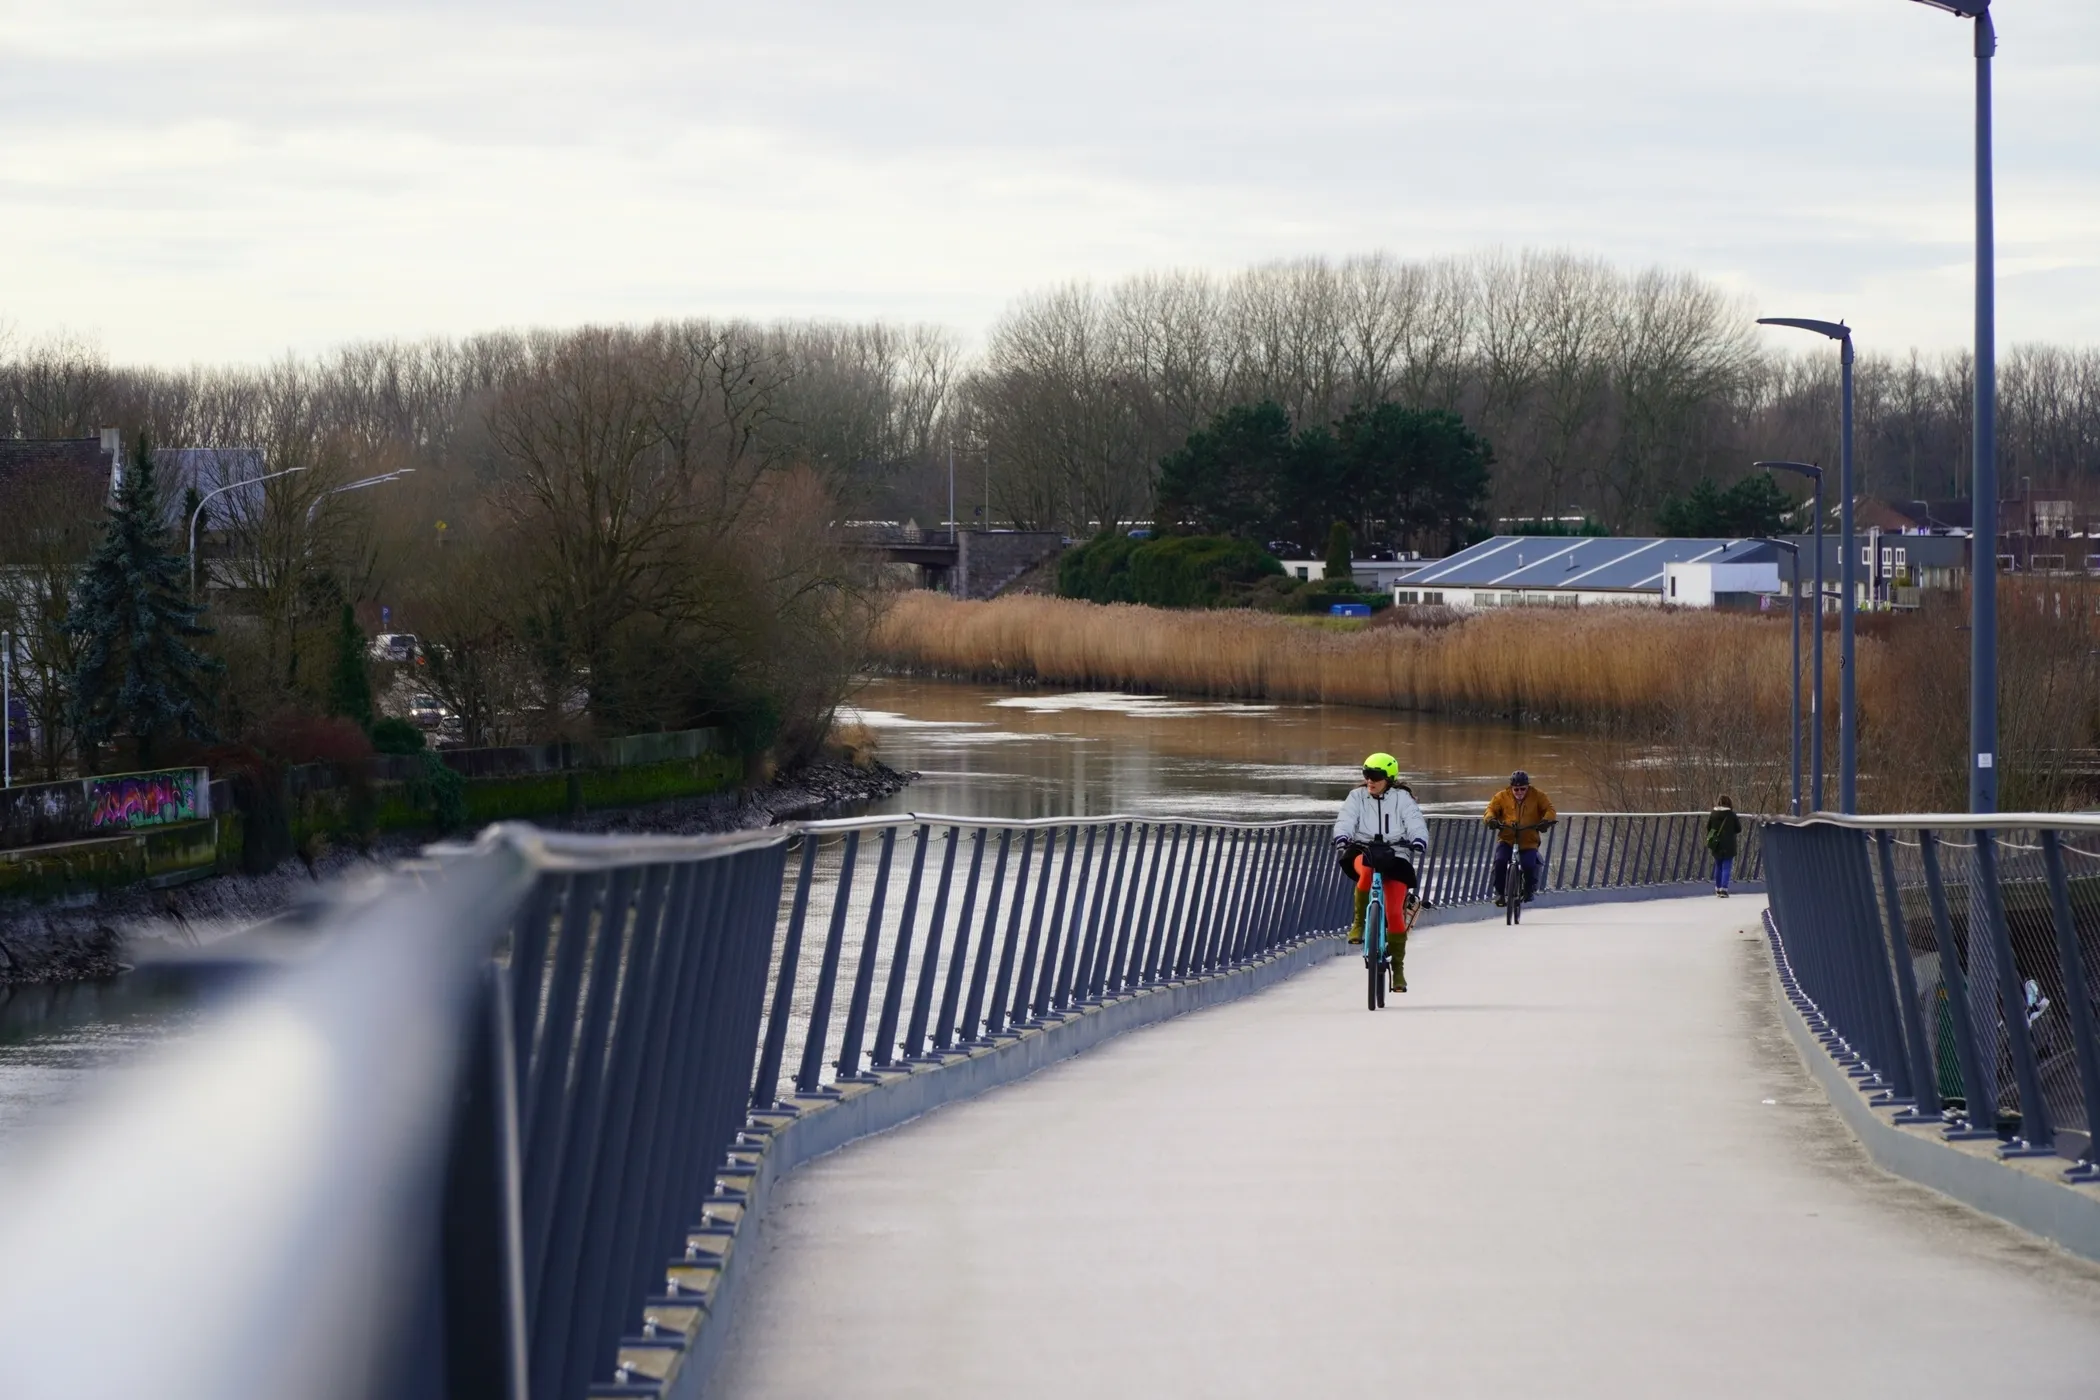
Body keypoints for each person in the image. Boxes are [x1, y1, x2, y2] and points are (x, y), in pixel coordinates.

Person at [1332, 752, 1428, 992]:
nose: (1369, 781)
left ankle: (1398, 970)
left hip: (1396, 852)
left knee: (1395, 912)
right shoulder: (1356, 797)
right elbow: (1346, 818)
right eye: (1366, 775)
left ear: (1389, 778)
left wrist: (1418, 840)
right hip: (1363, 848)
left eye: (1375, 776)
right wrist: (1342, 835)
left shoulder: (1403, 799)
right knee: (1365, 870)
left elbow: (1415, 821)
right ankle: (1358, 923)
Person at [1485, 770, 1557, 907]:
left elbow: (1550, 809)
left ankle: (1528, 890)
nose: (1519, 792)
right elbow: (1490, 809)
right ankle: (1500, 893)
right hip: (1507, 837)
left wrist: (1546, 821)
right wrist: (1491, 820)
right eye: (1516, 789)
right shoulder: (1501, 796)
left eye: (1523, 789)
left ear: (1528, 787)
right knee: (1500, 861)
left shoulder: (1537, 796)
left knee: (1529, 865)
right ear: (1511, 788)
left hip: (1528, 839)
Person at [1706, 795, 1742, 897]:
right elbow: (1738, 829)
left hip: (1716, 844)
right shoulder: (1731, 815)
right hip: (1729, 844)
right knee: (1726, 867)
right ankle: (1724, 889)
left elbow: (1708, 827)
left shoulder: (1713, 814)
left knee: (1718, 866)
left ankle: (1717, 888)